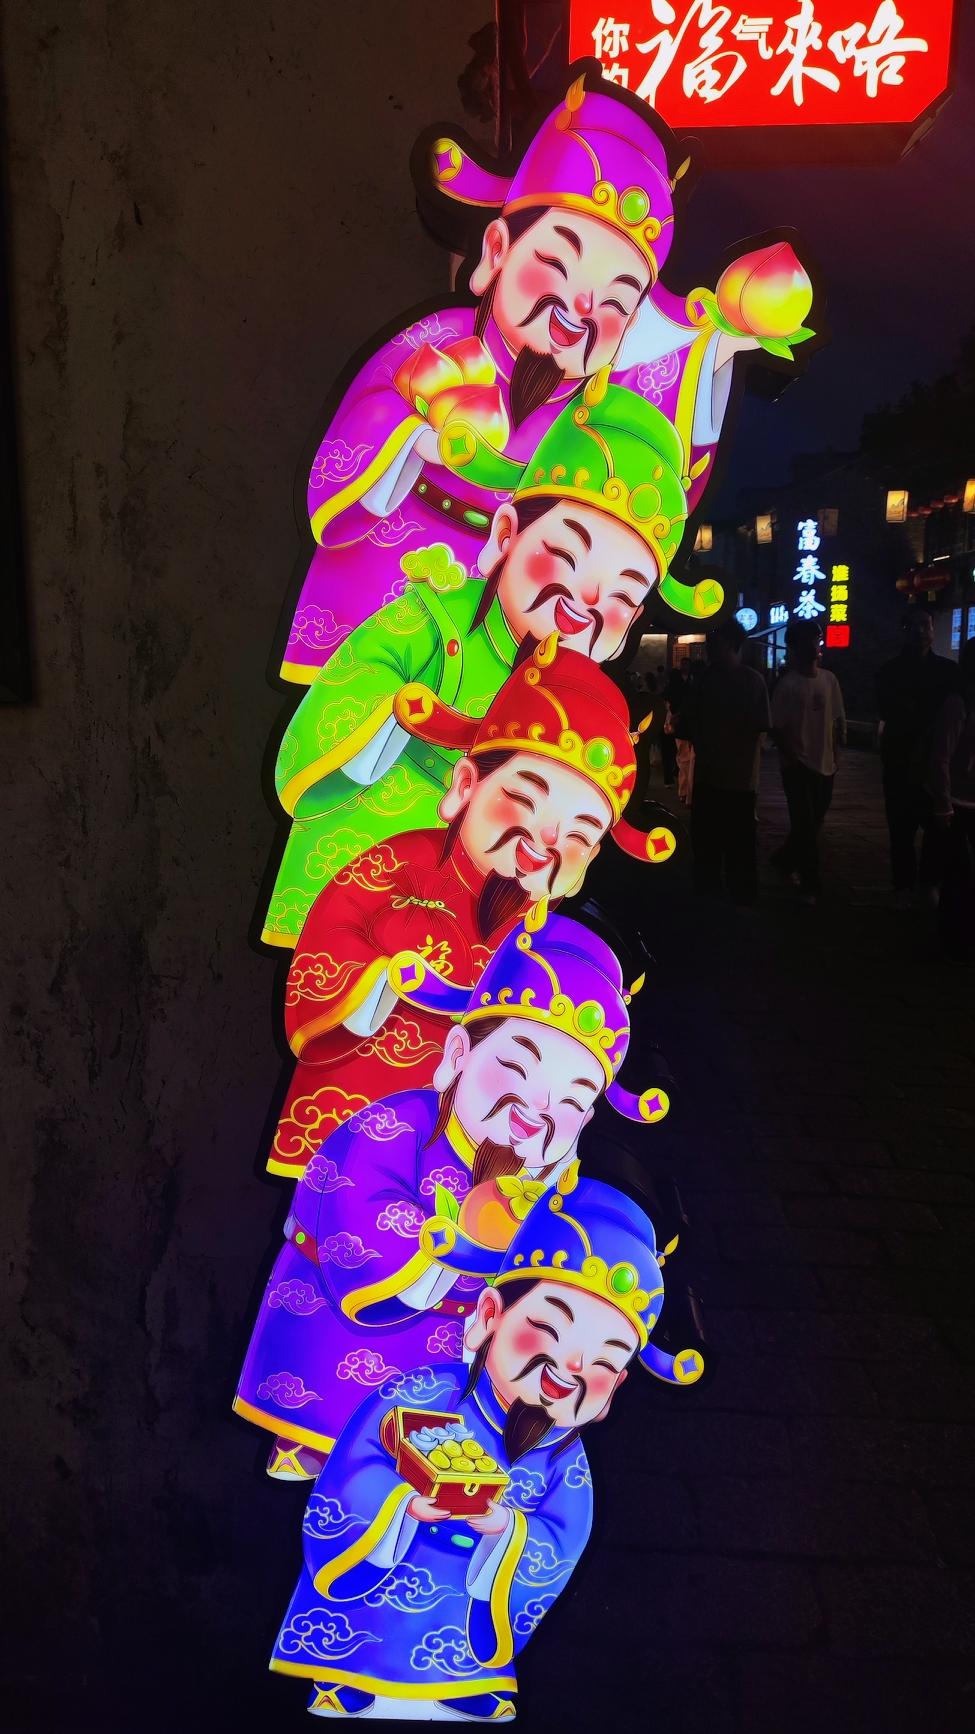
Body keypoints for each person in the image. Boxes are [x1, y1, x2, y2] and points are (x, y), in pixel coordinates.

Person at [280, 72, 801, 684]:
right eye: (556, 262)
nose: (582, 308)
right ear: (496, 251)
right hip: (388, 571)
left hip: (514, 612)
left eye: (618, 301)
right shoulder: (438, 340)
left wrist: (717, 350)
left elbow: (664, 472)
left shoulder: (604, 404)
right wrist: (411, 438)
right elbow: (360, 427)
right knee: (355, 723)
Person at [234, 910, 674, 1478]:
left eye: (570, 1103)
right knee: (334, 1431)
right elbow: (355, 1212)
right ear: (458, 1055)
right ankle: (313, 1446)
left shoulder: (549, 1187)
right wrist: (446, 1245)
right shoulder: (394, 1128)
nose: (536, 1110)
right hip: (347, 1323)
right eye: (517, 1069)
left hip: (452, 1348)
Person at [263, 383, 695, 947]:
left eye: (623, 596)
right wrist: (401, 717)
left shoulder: (587, 704)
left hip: (480, 895)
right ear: (506, 534)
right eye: (566, 555)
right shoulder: (435, 619)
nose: (587, 599)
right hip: (372, 851)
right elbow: (359, 678)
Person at [265, 1178, 703, 1720]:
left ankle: (465, 1674)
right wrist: (402, 1507)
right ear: (490, 1316)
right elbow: (355, 1469)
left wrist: (507, 1530)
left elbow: (562, 1540)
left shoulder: (566, 1465)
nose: (570, 1368)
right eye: (548, 1329)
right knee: (356, 1638)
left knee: (467, 1652)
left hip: (469, 1600)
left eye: (604, 1362)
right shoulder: (421, 1393)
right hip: (383, 1577)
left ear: (613, 1391)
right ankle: (348, 1672)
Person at [267, 641, 676, 1178]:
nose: (547, 840)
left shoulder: (545, 937)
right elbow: (333, 935)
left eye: (579, 835)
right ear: (465, 785)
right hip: (363, 1092)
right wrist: (386, 977)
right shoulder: (404, 863)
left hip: (477, 1132)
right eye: (524, 801)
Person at [674, 619, 770, 904]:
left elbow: (685, 726)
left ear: (730, 643)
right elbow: (761, 727)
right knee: (738, 848)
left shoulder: (706, 682)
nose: (709, 645)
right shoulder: (751, 681)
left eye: (715, 639)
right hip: (736, 780)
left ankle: (712, 899)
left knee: (710, 848)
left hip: (718, 779)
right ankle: (740, 899)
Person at [877, 610, 957, 909]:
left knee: (937, 827)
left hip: (935, 759)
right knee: (901, 828)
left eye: (926, 625)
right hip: (900, 757)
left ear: (933, 630)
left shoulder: (947, 671)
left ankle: (928, 882)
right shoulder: (889, 671)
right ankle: (903, 885)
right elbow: (887, 710)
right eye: (914, 626)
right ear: (904, 630)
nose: (921, 631)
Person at [770, 619, 846, 903]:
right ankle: (810, 884)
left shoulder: (829, 680)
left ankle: (783, 860)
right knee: (805, 824)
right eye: (809, 640)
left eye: (817, 639)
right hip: (798, 765)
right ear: (794, 647)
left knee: (812, 823)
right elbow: (777, 727)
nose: (815, 645)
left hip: (826, 764)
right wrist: (792, 757)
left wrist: (836, 756)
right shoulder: (787, 685)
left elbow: (836, 720)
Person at [926, 637, 975, 963]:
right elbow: (941, 756)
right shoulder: (958, 704)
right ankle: (953, 941)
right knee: (958, 873)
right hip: (956, 801)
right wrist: (943, 802)